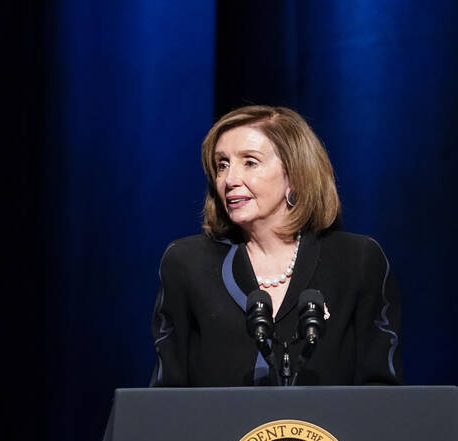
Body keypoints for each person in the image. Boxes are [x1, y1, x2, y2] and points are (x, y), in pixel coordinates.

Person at [151, 105, 403, 386]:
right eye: (222, 165)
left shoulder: (357, 261)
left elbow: (383, 396)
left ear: (294, 175)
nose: (230, 180)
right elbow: (165, 398)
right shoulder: (188, 263)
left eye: (250, 162)